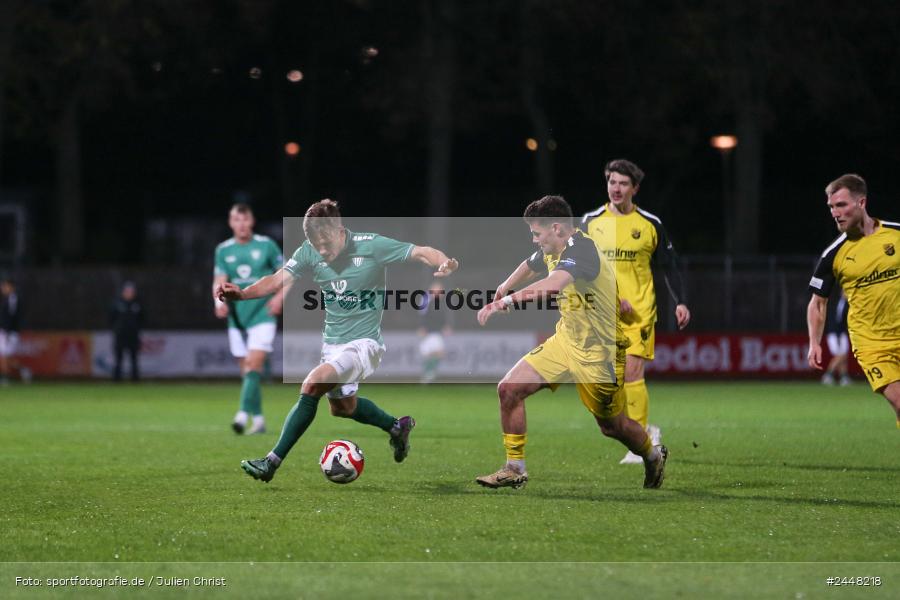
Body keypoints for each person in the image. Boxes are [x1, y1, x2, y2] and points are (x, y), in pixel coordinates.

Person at [216, 199, 459, 483]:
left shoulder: (371, 245)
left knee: (311, 385)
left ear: (339, 229)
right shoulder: (309, 250)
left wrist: (443, 261)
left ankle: (270, 462)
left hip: (365, 344)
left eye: (325, 244)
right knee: (343, 408)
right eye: (315, 245)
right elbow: (276, 279)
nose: (321, 251)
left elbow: (421, 252)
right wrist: (242, 294)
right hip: (332, 344)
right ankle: (396, 427)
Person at [475, 195, 667, 490]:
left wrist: (508, 300)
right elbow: (531, 263)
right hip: (565, 341)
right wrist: (505, 285)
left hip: (599, 353)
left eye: (537, 234)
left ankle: (652, 455)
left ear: (556, 228)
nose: (535, 240)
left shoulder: (583, 250)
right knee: (509, 390)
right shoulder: (554, 245)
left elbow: (553, 284)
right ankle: (515, 468)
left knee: (612, 426)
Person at [581, 159, 690, 464]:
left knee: (632, 373)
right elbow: (574, 266)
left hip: (638, 313)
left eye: (623, 184)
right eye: (612, 182)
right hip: (600, 315)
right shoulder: (590, 222)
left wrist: (680, 301)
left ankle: (639, 441)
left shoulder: (650, 224)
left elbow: (670, 265)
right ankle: (642, 431)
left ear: (635, 188)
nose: (616, 188)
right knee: (607, 383)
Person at [807, 173, 900, 428]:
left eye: (841, 205)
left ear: (861, 203)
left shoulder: (895, 235)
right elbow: (817, 302)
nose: (835, 213)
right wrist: (814, 342)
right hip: (872, 344)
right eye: (831, 207)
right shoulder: (833, 254)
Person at [213, 203, 289, 435]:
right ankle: (258, 420)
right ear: (231, 222)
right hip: (236, 316)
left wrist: (279, 298)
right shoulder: (223, 250)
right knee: (247, 371)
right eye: (237, 220)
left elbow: (289, 274)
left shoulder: (266, 245)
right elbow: (220, 280)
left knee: (254, 365)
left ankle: (241, 415)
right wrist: (218, 302)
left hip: (262, 314)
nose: (241, 224)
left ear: (252, 221)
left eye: (245, 220)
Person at [417, 280, 452, 384]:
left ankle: (428, 374)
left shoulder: (440, 302)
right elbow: (422, 315)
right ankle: (428, 374)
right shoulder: (426, 300)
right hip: (429, 332)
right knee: (432, 353)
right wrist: (422, 327)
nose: (440, 292)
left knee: (437, 353)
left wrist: (446, 326)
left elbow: (442, 316)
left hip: (436, 332)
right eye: (438, 290)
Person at [109, 281, 144, 382]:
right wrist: (117, 329)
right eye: (127, 291)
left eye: (131, 291)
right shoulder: (117, 303)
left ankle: (135, 379)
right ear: (123, 292)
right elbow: (111, 318)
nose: (129, 293)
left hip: (133, 336)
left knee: (134, 359)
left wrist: (137, 328)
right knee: (118, 358)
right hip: (120, 335)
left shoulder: (137, 304)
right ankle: (116, 379)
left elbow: (143, 318)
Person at [821, 291, 852, 386]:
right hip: (834, 333)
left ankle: (844, 377)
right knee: (841, 355)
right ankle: (828, 375)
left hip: (841, 333)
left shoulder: (848, 304)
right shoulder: (835, 302)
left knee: (843, 355)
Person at [0, 277, 22, 385]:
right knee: (6, 357)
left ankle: (5, 378)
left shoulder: (13, 299)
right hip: (4, 331)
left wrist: (8, 331)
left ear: (10, 287)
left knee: (4, 356)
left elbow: (12, 316)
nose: (2, 288)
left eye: (4, 286)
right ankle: (24, 371)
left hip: (9, 332)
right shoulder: (5, 299)